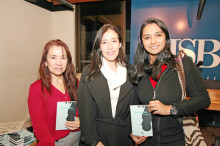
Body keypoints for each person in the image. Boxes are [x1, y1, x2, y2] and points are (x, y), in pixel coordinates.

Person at [130, 18, 211, 145]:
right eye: (147, 37)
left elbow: (203, 99)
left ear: (166, 38)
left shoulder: (182, 64)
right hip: (147, 141)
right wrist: (137, 130)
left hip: (176, 139)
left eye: (158, 35)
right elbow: (137, 103)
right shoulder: (140, 69)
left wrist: (170, 109)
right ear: (142, 42)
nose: (153, 41)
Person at [78, 24, 136, 146]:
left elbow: (135, 106)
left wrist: (137, 131)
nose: (110, 47)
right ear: (99, 46)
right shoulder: (89, 72)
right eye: (104, 42)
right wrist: (94, 141)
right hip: (99, 136)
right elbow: (85, 111)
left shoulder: (130, 72)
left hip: (125, 137)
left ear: (120, 44)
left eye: (114, 41)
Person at [28, 39, 81, 146]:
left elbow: (85, 109)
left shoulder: (76, 83)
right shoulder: (36, 89)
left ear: (68, 62)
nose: (59, 62)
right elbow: (40, 129)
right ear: (46, 62)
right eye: (53, 57)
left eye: (63, 57)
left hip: (78, 138)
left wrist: (81, 120)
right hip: (55, 142)